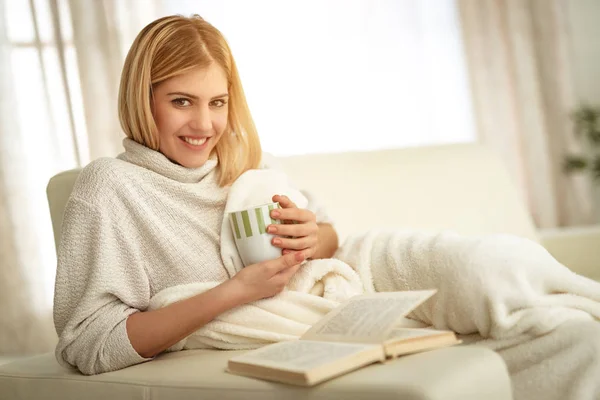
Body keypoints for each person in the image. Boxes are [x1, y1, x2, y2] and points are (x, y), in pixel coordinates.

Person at [53, 14, 339, 375]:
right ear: (144, 99)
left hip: (312, 329)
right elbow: (89, 343)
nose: (204, 125)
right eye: (182, 102)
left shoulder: (248, 164)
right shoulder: (110, 186)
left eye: (217, 102)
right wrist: (235, 292)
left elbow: (331, 236)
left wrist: (309, 240)